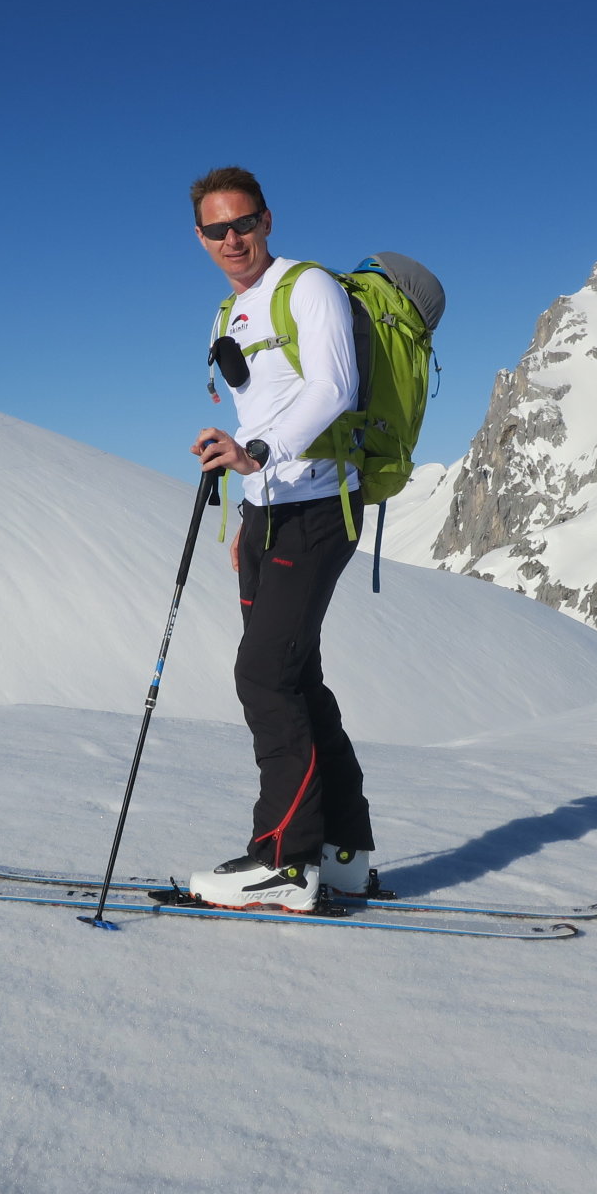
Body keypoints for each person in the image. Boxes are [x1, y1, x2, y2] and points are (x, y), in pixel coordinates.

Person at [185, 167, 376, 912]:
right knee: (294, 679)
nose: (232, 239)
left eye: (244, 223)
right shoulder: (227, 313)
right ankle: (342, 852)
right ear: (200, 237)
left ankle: (285, 862)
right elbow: (260, 410)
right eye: (217, 229)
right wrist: (248, 508)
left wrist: (259, 455)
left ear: (267, 220)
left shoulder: (308, 287)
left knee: (263, 676)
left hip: (320, 506)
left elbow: (334, 388)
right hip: (268, 513)